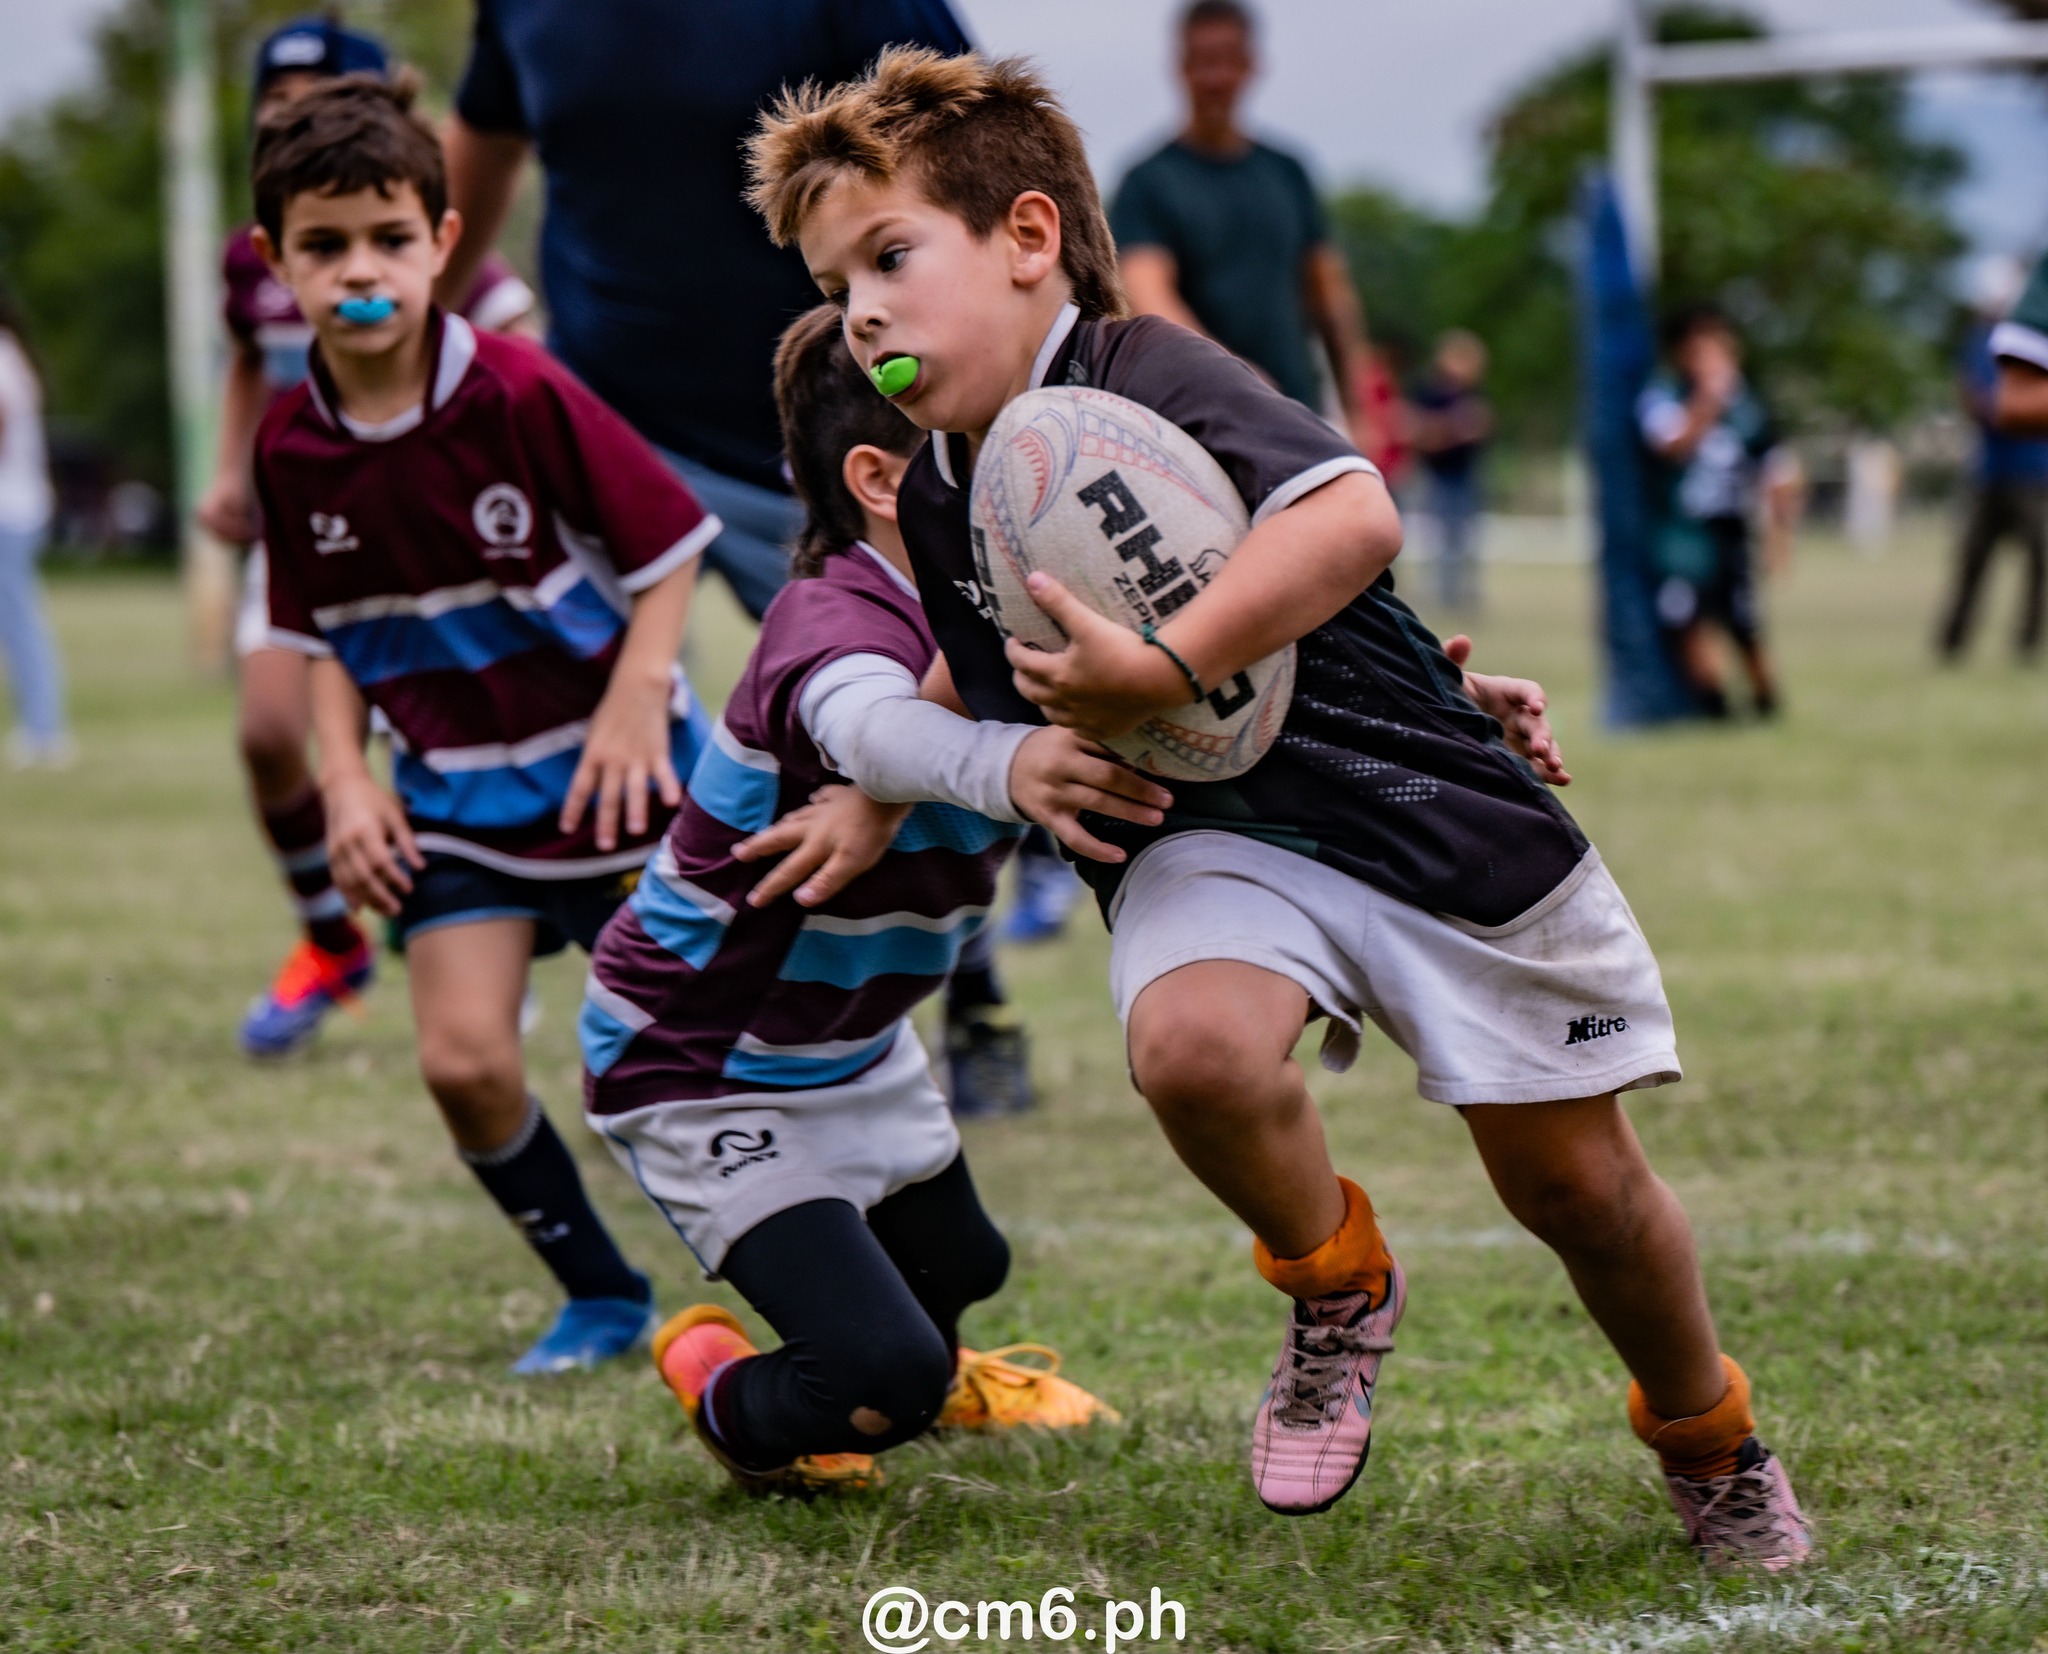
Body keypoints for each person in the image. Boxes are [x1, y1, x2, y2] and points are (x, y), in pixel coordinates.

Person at [745, 46, 1812, 1566]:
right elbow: (966, 677)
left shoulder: (1149, 370)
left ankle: (1709, 1434)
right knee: (1190, 1048)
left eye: (890, 256)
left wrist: (1184, 662)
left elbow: (1355, 515)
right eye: (838, 278)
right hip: (1218, 833)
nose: (861, 307)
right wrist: (875, 786)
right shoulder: (936, 492)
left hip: (1419, 809)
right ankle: (1335, 1281)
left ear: (1030, 240)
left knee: (1579, 1189)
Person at [434, 0, 1032, 1115]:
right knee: (563, 714)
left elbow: (976, 151)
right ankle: (641, 992)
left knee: (907, 722)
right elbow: (483, 136)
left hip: (817, 443)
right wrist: (430, 312)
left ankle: (972, 995)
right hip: (605, 430)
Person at [580, 306, 1129, 1492]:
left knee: (966, 1266)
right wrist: (1007, 766)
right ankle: (725, 1387)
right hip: (699, 1053)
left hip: (850, 1043)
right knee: (879, 1379)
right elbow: (871, 727)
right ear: (881, 479)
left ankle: (916, 1362)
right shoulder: (827, 618)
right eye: (989, 444)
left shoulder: (1002, 614)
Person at [251, 76, 715, 1373]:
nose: (361, 270)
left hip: (618, 783)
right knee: (463, 1060)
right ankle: (603, 1293)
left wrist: (636, 705)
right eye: (325, 243)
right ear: (274, 262)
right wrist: (348, 781)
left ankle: (837, 1261)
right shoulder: (291, 448)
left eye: (389, 239)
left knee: (698, 1057)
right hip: (455, 794)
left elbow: (672, 549)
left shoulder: (517, 391)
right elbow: (327, 637)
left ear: (442, 242)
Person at [199, 17, 540, 1059]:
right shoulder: (258, 255)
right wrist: (229, 470)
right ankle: (327, 942)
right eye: (275, 109)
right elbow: (252, 361)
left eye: (313, 104)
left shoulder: (417, 236)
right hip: (305, 521)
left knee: (424, 745)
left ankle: (484, 938)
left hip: (423, 539)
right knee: (266, 734)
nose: (291, 124)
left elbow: (522, 348)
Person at [1110, 0, 1369, 437]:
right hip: (1193, 426)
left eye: (1228, 61)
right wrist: (1235, 381)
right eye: (1203, 61)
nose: (1215, 78)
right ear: (1180, 66)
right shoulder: (1146, 182)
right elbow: (1148, 294)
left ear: (1251, 65)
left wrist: (1360, 405)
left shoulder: (1288, 173)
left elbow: (1329, 294)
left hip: (1296, 418)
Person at [1638, 304, 1794, 720]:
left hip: (1731, 528)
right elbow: (1670, 446)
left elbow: (1774, 464)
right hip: (1683, 530)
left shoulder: (1745, 404)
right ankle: (1714, 708)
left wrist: (1781, 533)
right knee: (1685, 617)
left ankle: (1766, 705)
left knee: (1743, 621)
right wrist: (1708, 399)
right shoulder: (1664, 394)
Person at [1941, 257, 2048, 662]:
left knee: (2038, 564)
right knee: (1972, 562)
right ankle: (1953, 644)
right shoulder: (1983, 340)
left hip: (2036, 473)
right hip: (1989, 472)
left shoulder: (2034, 332)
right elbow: (1983, 399)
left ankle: (2028, 646)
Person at [0, 289, 67, 769]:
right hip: (20, 507)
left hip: (8, 509)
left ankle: (45, 728)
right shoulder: (13, 354)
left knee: (19, 622)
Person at [1408, 330, 1493, 612]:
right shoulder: (1429, 392)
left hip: (1466, 473)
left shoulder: (1471, 394)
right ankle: (1442, 593)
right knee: (1438, 537)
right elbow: (1418, 429)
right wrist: (1453, 428)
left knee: (1466, 536)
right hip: (1437, 474)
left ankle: (1463, 593)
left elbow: (1482, 426)